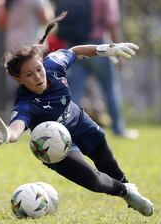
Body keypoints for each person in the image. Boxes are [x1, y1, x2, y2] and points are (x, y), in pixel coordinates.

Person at [0, 13, 154, 217]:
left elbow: (74, 51)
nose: (37, 77)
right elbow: (17, 126)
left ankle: (128, 188)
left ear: (43, 63)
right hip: (55, 148)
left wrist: (107, 49)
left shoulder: (54, 65)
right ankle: (125, 191)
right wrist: (8, 134)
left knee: (105, 158)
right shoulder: (26, 103)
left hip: (79, 122)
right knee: (93, 181)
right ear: (19, 79)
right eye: (29, 75)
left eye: (38, 69)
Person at [54, 0, 139, 139]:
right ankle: (118, 128)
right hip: (99, 47)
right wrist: (119, 53)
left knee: (74, 91)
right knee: (110, 88)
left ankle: (65, 128)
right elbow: (112, 24)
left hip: (76, 48)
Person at [0, 0, 54, 110]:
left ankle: (18, 115)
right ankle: (43, 114)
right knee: (41, 83)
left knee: (18, 87)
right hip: (34, 50)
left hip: (13, 52)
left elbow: (1, 23)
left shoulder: (5, 2)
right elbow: (46, 18)